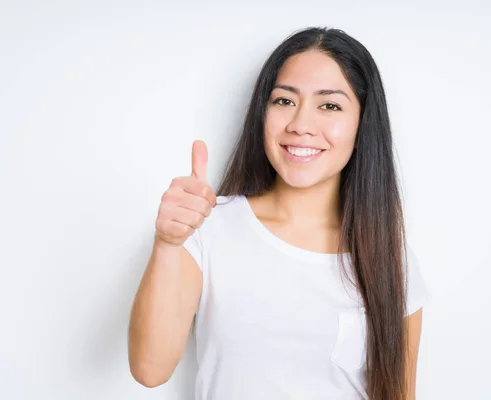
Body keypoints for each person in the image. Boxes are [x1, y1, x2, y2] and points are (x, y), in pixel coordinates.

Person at [128, 26, 430, 400]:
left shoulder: (389, 258)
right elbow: (149, 369)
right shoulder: (207, 227)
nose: (301, 125)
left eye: (330, 105)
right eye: (284, 101)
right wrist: (168, 243)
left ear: (363, 123)